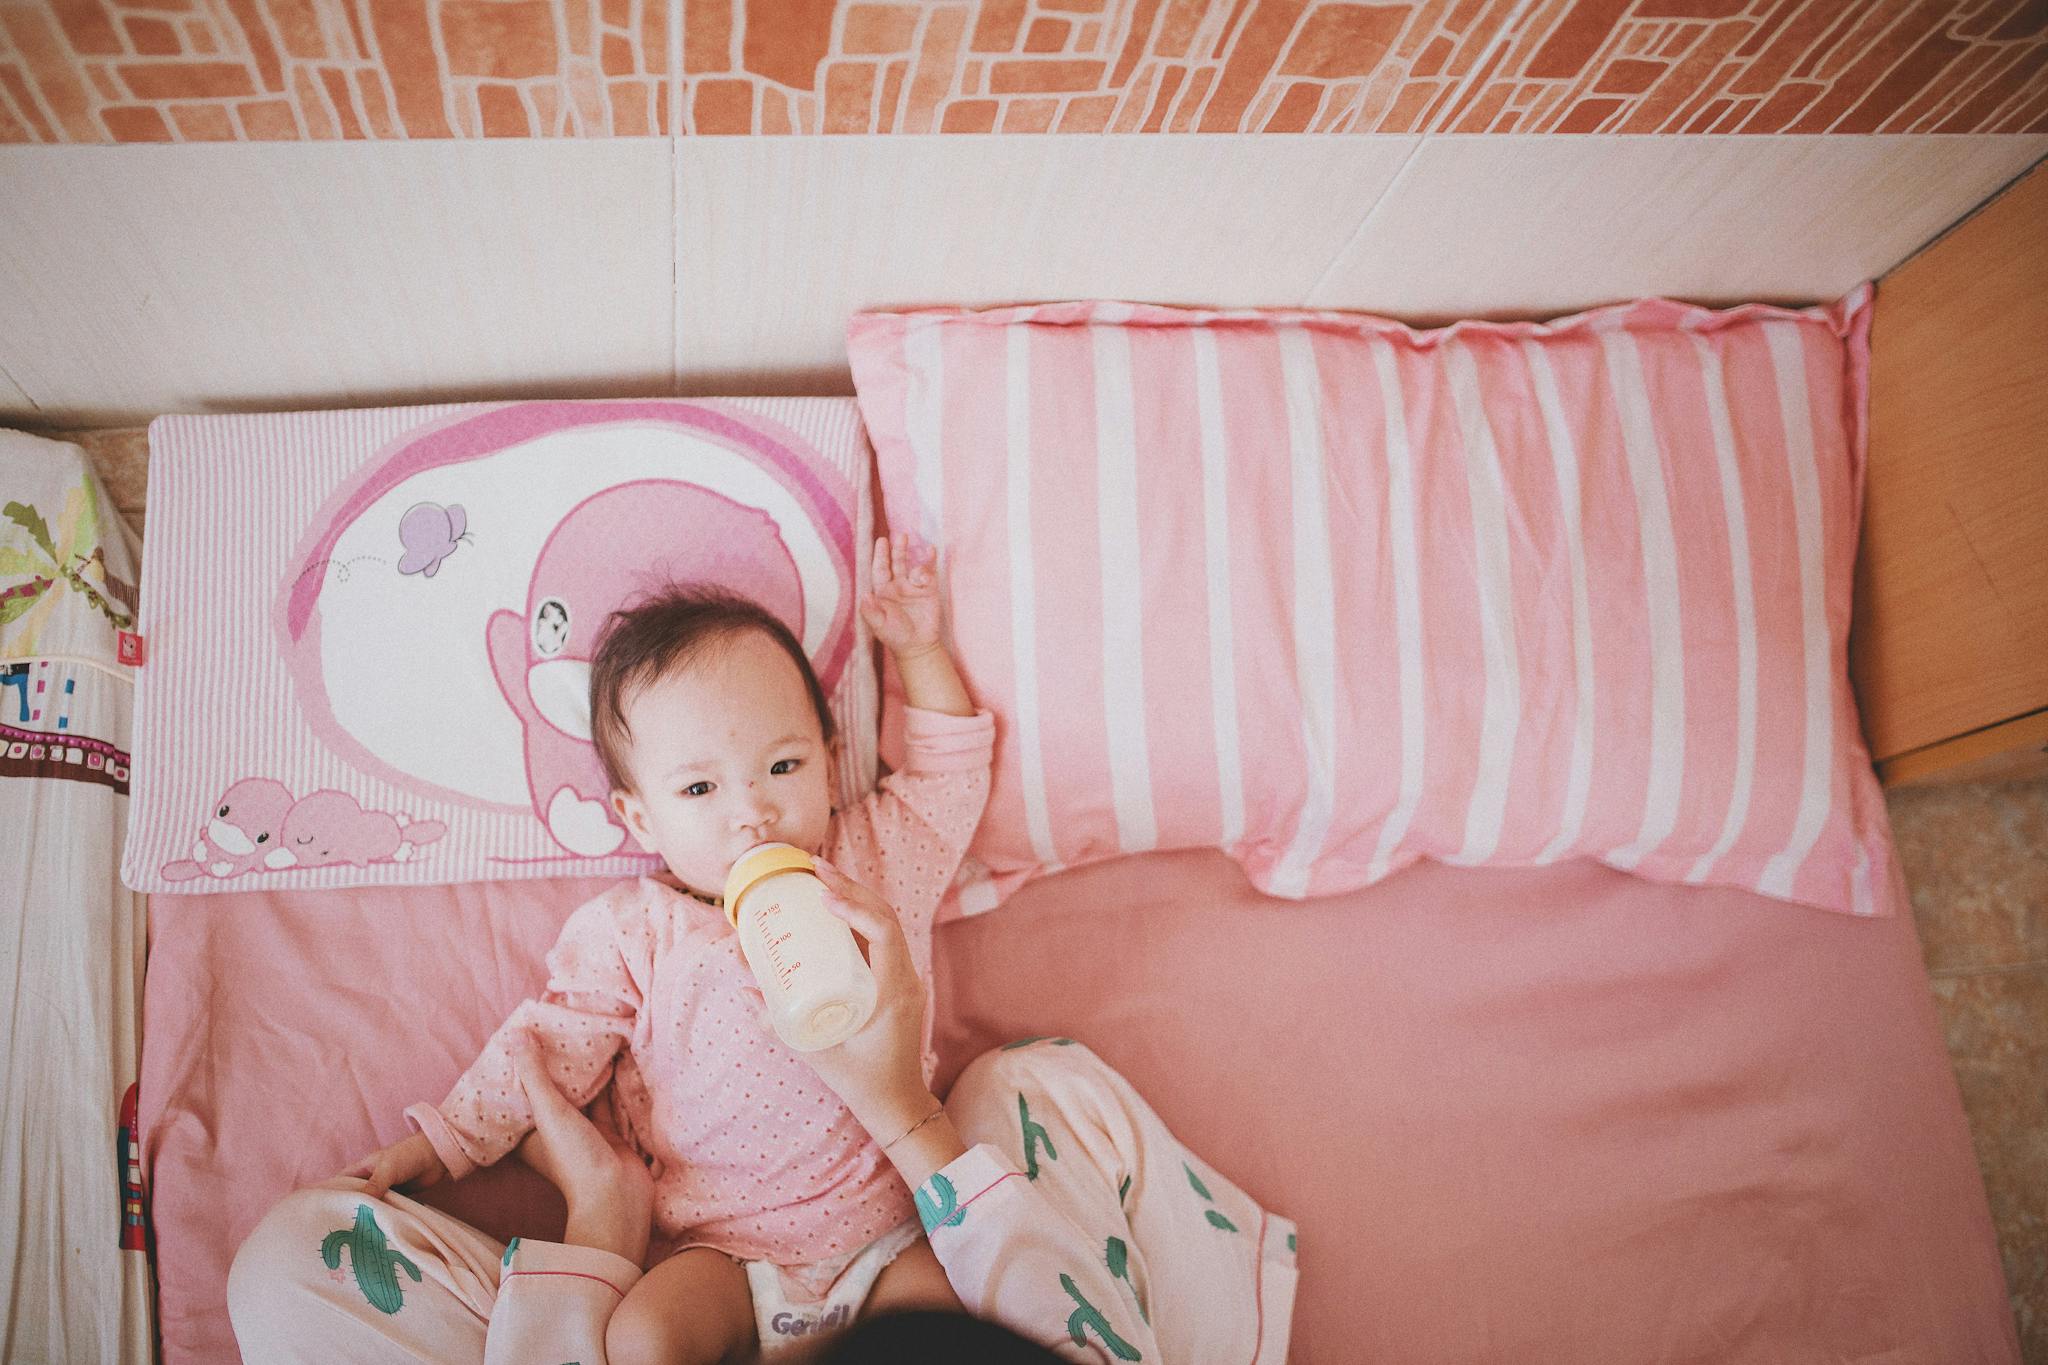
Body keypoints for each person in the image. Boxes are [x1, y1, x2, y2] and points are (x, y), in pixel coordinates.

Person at [230, 531, 997, 1363]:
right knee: (638, 1340)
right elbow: (546, 1051)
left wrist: (919, 648)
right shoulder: (637, 929)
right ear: (640, 818)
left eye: (783, 765)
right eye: (700, 787)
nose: (753, 811)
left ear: (829, 761)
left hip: (890, 1233)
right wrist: (439, 1144)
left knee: (959, 1320)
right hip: (723, 1255)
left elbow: (948, 780)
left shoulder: (872, 863)